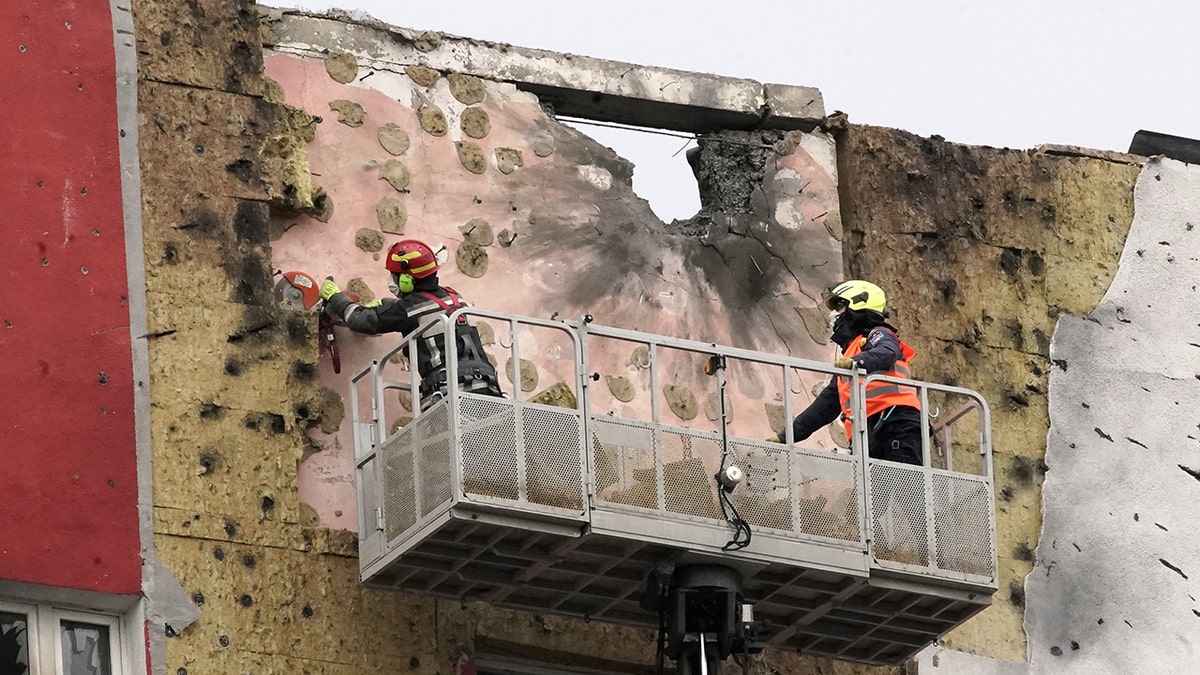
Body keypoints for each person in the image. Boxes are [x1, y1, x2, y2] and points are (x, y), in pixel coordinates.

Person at [319, 239, 501, 406]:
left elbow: (360, 320)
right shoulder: (454, 297)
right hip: (489, 391)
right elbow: (423, 309)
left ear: (407, 279)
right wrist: (388, 306)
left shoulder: (409, 308)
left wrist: (335, 297)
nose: (392, 280)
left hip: (450, 395)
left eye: (395, 275)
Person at [768, 280, 923, 466]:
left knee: (906, 491)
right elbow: (825, 406)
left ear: (857, 305)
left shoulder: (877, 334)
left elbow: (888, 351)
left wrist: (856, 363)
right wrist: (786, 437)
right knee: (875, 494)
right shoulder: (851, 356)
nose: (835, 313)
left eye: (840, 306)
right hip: (869, 433)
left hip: (896, 424)